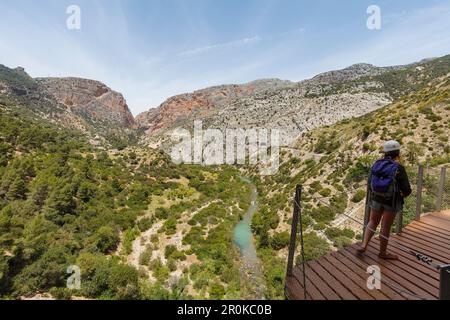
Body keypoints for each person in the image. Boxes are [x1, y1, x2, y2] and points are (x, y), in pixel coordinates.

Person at [357, 140, 412, 260]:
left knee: (372, 222)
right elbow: (407, 190)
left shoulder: (376, 164)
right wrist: (401, 195)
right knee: (385, 227)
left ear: (384, 153)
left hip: (376, 198)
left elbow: (369, 182)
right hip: (391, 201)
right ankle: (382, 253)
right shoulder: (398, 168)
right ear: (398, 153)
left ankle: (363, 245)